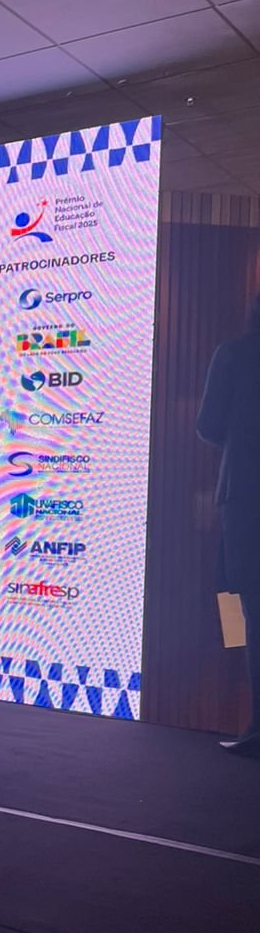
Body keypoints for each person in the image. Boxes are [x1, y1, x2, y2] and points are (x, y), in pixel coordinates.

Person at [197, 291, 260, 753]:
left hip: (246, 498)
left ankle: (255, 727)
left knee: (248, 607)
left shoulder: (234, 354)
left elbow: (208, 425)